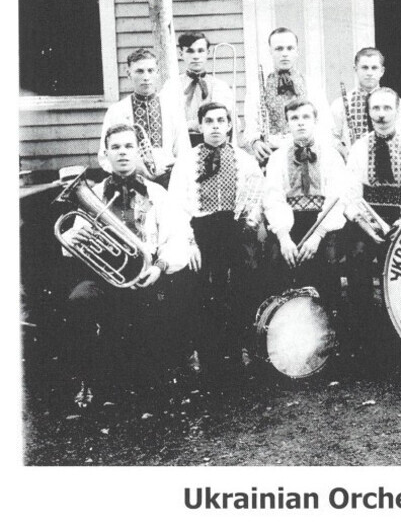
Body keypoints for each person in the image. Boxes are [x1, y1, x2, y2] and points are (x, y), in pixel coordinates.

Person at [62, 123, 190, 407]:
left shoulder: (157, 194)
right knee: (77, 301)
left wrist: (160, 267)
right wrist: (76, 236)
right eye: (116, 147)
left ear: (137, 152)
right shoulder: (92, 193)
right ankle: (90, 381)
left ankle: (156, 377)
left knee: (159, 311)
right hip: (106, 278)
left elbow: (177, 237)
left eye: (128, 146)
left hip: (147, 276)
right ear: (106, 154)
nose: (122, 153)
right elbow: (70, 241)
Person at [168, 102, 264, 373]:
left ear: (230, 125)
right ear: (200, 126)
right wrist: (190, 242)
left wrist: (249, 224)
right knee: (201, 289)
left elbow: (257, 194)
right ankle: (204, 351)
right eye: (209, 121)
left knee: (239, 287)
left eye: (221, 121)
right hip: (201, 232)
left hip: (233, 229)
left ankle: (239, 348)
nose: (215, 127)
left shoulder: (244, 160)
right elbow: (177, 204)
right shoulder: (187, 161)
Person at [343, 87, 401, 359]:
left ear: (398, 111)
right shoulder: (359, 148)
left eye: (387, 108)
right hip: (368, 222)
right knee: (357, 258)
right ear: (368, 112)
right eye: (375, 109)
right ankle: (366, 340)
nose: (381, 115)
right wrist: (368, 227)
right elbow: (350, 195)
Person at [262, 98, 348, 308]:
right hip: (289, 226)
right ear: (287, 123)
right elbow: (273, 199)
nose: (300, 123)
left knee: (327, 269)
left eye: (306, 117)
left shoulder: (331, 155)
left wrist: (318, 235)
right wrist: (283, 238)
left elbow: (337, 199)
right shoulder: (278, 158)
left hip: (324, 227)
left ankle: (329, 328)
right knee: (279, 267)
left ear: (315, 121)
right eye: (294, 118)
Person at [99, 48, 190, 188]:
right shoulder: (116, 111)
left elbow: (184, 151)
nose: (146, 77)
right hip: (130, 182)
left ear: (157, 73)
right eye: (140, 71)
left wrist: (175, 169)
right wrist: (130, 170)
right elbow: (104, 157)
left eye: (150, 71)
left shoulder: (172, 109)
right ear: (129, 74)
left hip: (170, 182)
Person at [243, 27, 331, 167]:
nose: (285, 54)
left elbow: (325, 123)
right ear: (270, 51)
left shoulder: (311, 84)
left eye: (290, 48)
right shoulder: (257, 87)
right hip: (270, 155)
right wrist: (255, 142)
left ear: (297, 51)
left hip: (306, 153)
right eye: (279, 49)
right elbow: (251, 127)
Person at [330, 47, 401, 157]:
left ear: (382, 71)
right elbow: (332, 137)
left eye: (374, 68)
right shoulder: (341, 103)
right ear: (355, 69)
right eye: (365, 68)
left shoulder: (395, 102)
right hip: (353, 164)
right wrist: (343, 150)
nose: (369, 73)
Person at [162, 32, 235, 147]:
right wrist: (191, 125)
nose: (196, 56)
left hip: (213, 144)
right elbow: (167, 122)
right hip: (181, 146)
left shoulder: (219, 86)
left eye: (200, 51)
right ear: (181, 54)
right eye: (190, 51)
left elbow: (225, 121)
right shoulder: (172, 86)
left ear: (208, 53)